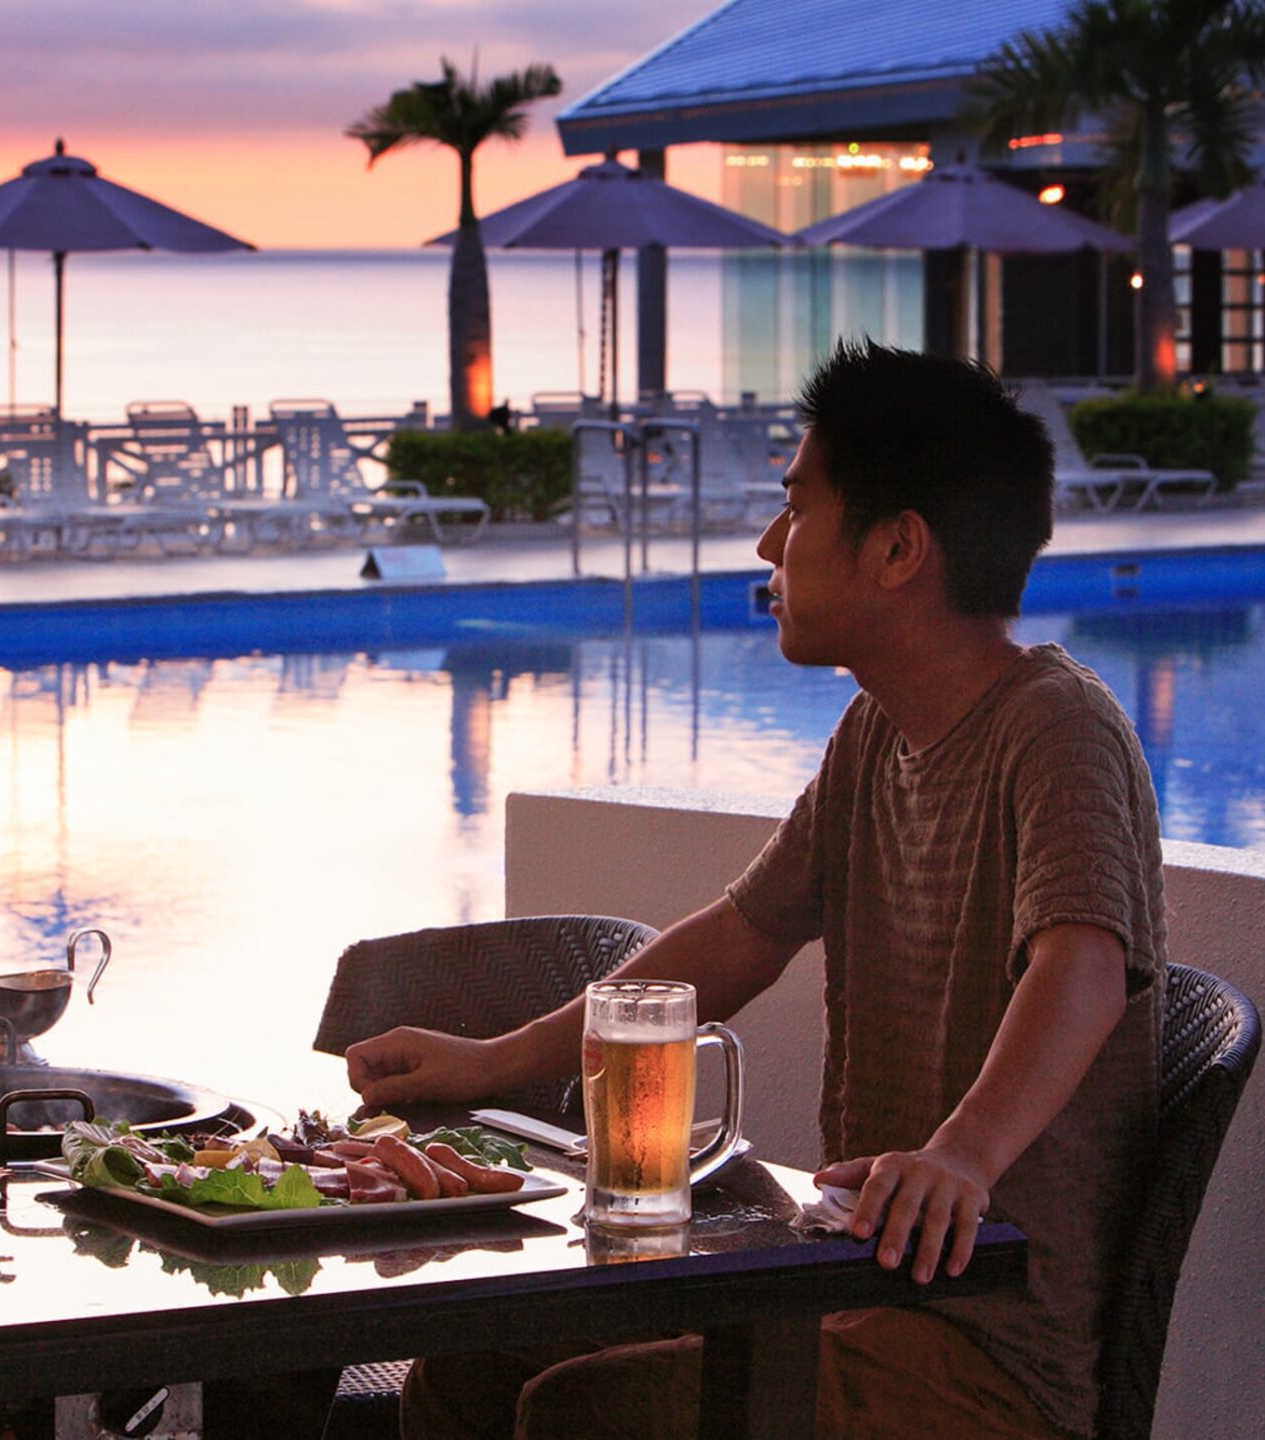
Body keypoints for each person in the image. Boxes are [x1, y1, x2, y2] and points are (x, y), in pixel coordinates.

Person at [347, 341, 1165, 1440]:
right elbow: (739, 933)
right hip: (841, 1283)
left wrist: (960, 1156)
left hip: (984, 1356)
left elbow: (1085, 964)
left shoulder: (1056, 727)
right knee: (476, 1359)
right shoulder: (875, 737)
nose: (771, 543)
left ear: (897, 549)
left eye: (796, 507)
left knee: (589, 1414)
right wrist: (493, 1060)